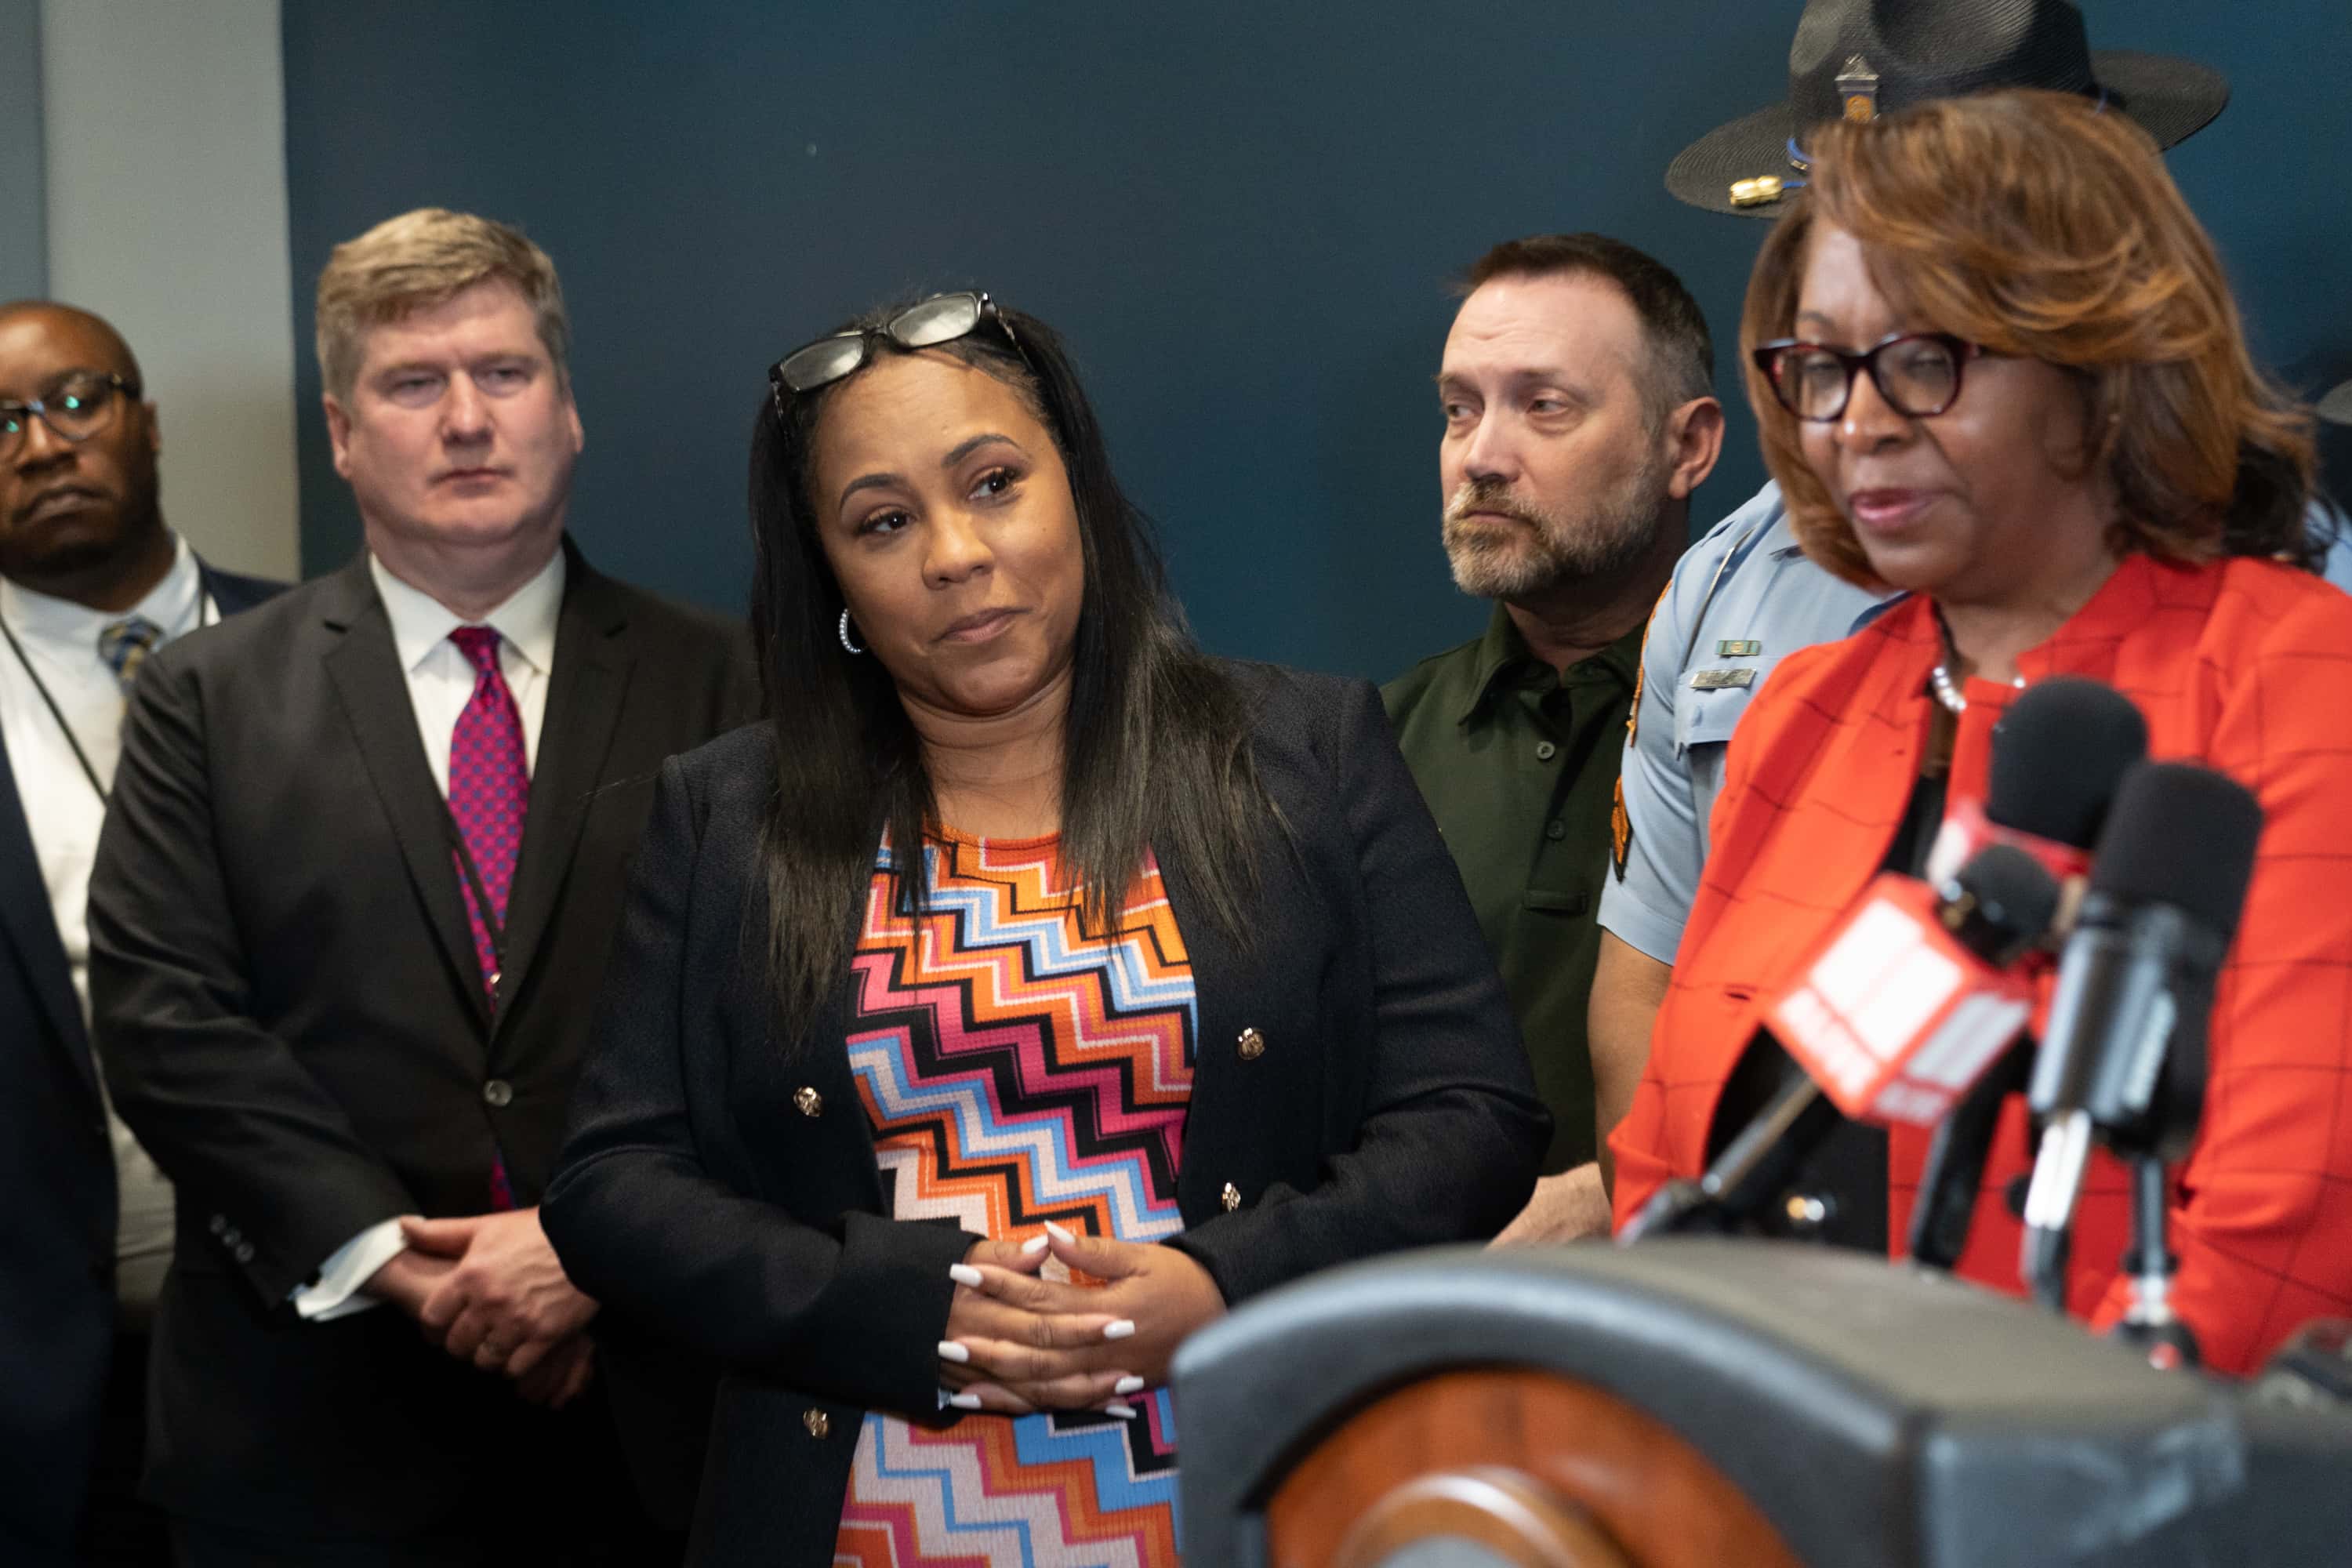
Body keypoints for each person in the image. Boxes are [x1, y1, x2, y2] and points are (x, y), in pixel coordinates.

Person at [542, 290, 1551, 1564]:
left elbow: (1474, 1114)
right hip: (861, 1518)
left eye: (995, 482)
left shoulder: (1307, 753)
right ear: (832, 571)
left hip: (1243, 1502)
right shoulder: (729, 812)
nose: (955, 552)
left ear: (1075, 484)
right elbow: (610, 1185)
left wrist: (1223, 1285)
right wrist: (897, 1304)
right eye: (884, 521)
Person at [1610, 89, 2352, 1374]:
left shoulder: (2294, 674)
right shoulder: (1808, 711)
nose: (1862, 421)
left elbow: (2283, 1244)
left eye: (1925, 356)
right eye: (1823, 367)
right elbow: (1673, 1153)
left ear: (2102, 367)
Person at [87, 209, 758, 1563]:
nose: (467, 419)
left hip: (649, 1431)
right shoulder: (204, 699)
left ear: (568, 411)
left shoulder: (734, 685)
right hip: (303, 1433)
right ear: (341, 433)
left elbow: (778, 1018)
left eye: (505, 374)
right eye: (413, 383)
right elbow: (167, 1023)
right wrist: (397, 1260)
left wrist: (590, 1249)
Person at [0, 302, 280, 1564]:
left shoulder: (341, 652)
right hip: (42, 1386)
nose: (42, 445)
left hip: (334, 1361)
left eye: (76, 399)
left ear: (146, 419)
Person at [1381, 235, 1722, 1243]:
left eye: (1545, 406)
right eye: (1459, 407)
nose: (1480, 455)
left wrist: (1619, 1191)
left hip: (1722, 1319)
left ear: (1687, 447)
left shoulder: (1783, 729)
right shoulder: (1374, 746)